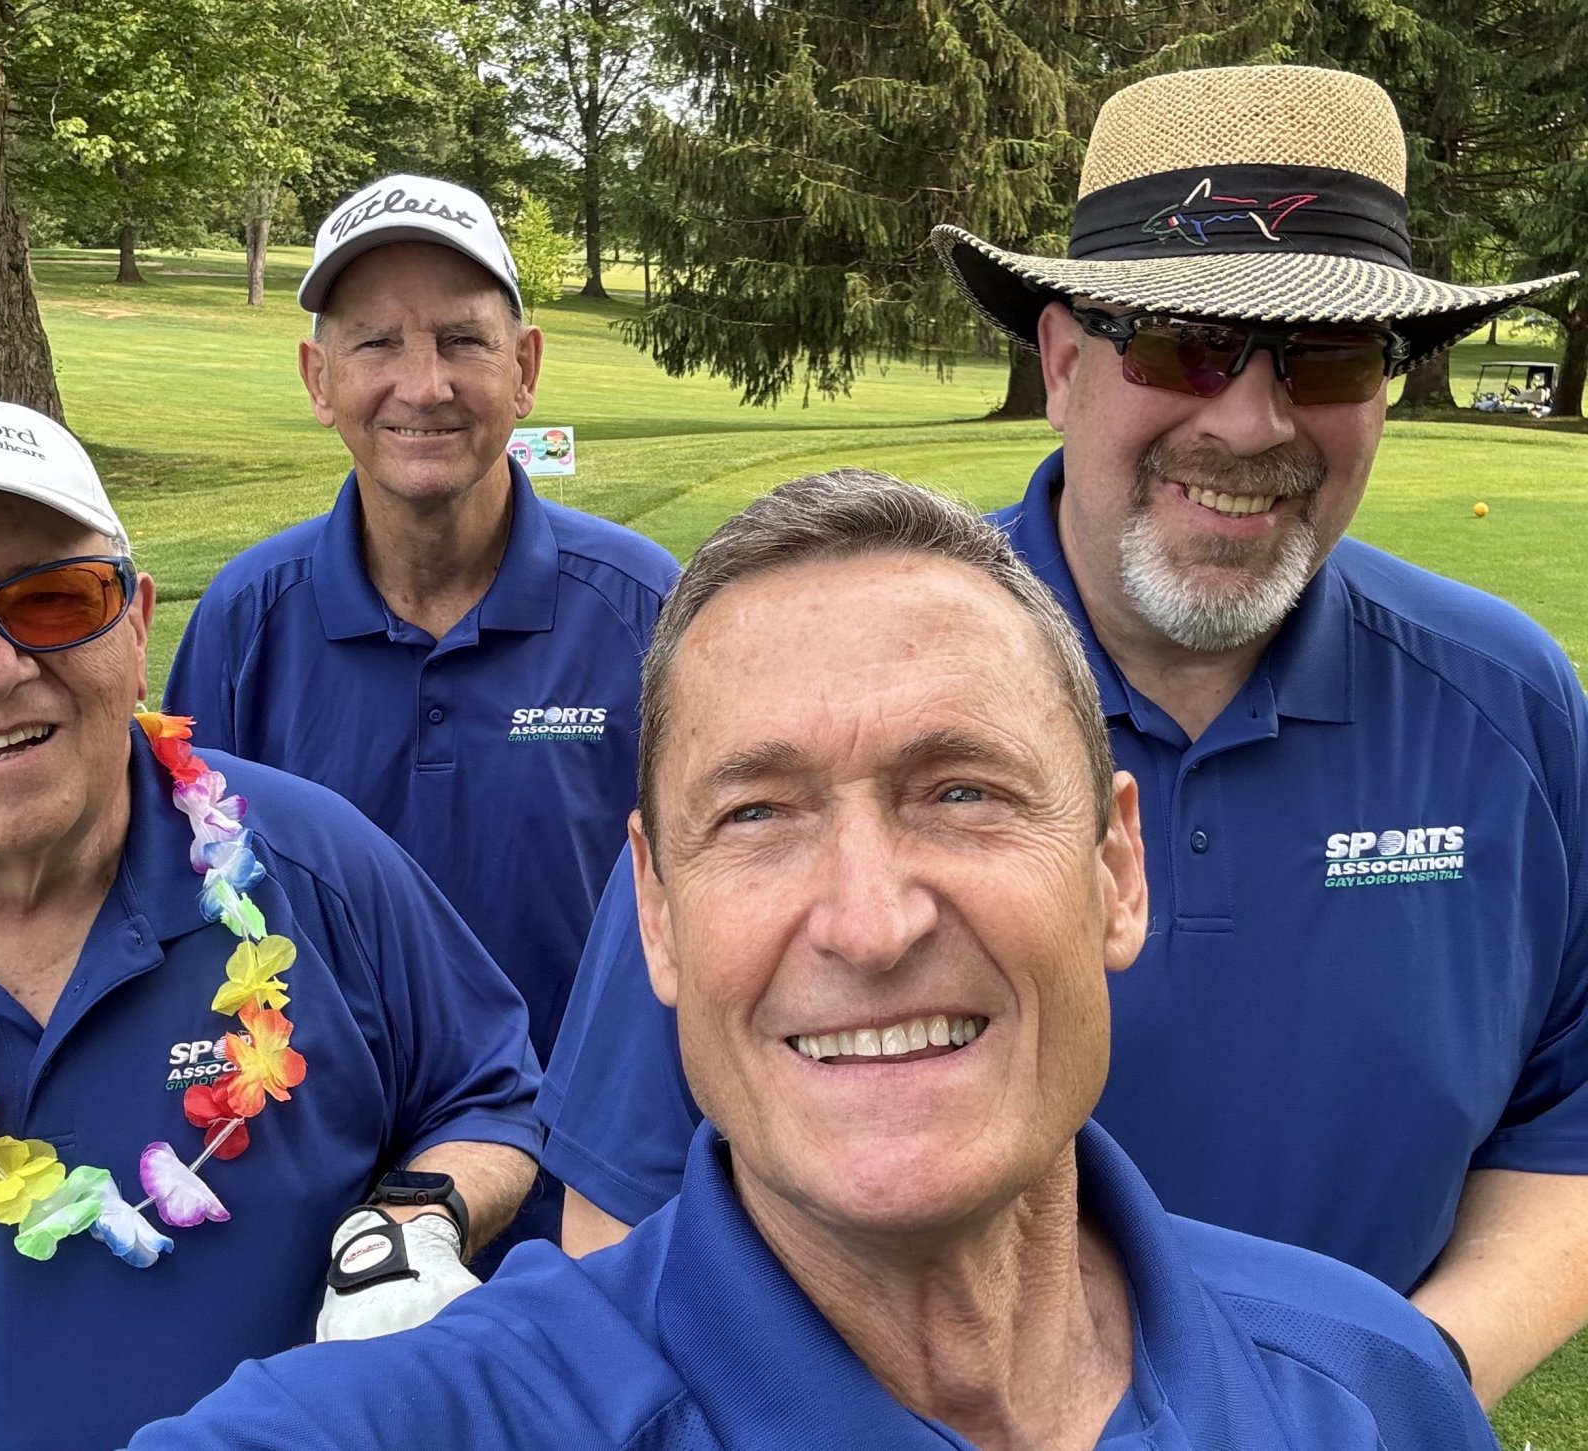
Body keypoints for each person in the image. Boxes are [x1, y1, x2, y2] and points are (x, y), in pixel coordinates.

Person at [539, 64, 1587, 1409]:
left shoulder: (1506, 703)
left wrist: (1383, 1386)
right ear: (1061, 361)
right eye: (1179, 341)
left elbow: (1566, 1116)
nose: (1250, 420)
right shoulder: (817, 689)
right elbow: (620, 1207)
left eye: (1323, 354)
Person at [128, 472, 1497, 1451]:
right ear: (656, 914)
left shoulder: (1376, 1382)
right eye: (758, 813)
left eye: (962, 789)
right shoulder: (440, 1417)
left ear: (1116, 870)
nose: (869, 919)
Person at [0, 386, 543, 1451]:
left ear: (135, 620)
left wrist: (415, 1217)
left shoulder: (319, 865)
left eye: (53, 600)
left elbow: (490, 1091)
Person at [163, 174, 678, 1247]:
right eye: (376, 344)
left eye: (461, 340)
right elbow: (194, 919)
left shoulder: (644, 610)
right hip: (324, 1217)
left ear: (525, 367)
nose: (423, 384)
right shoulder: (246, 621)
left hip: (599, 1213)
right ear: (318, 377)